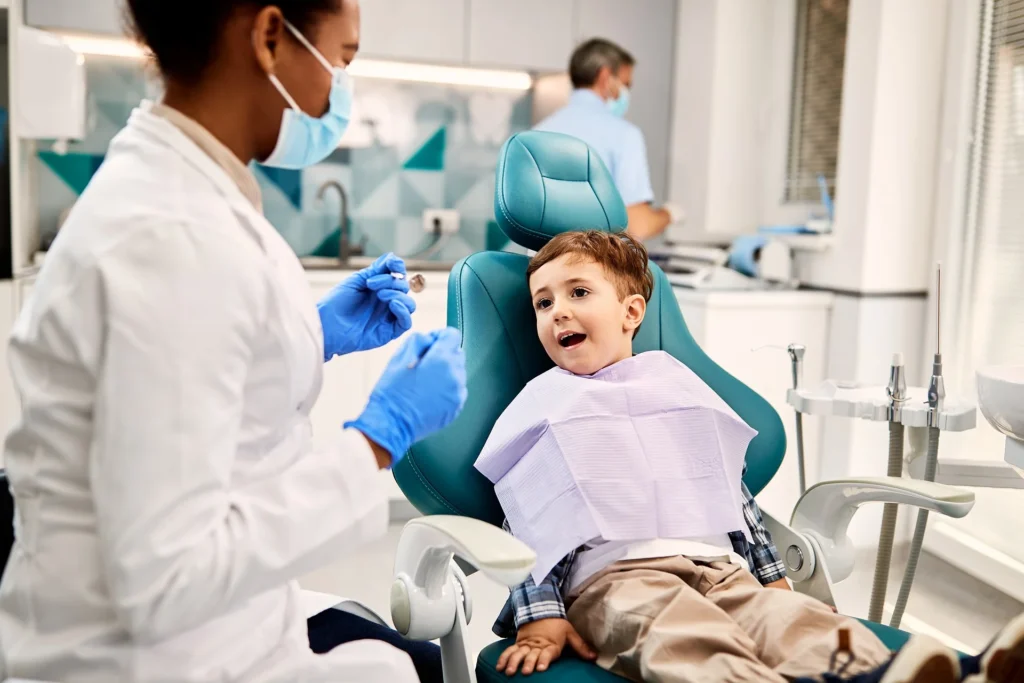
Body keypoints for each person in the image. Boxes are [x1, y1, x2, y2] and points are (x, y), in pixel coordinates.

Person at [0, 1, 465, 682]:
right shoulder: (172, 236)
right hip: (150, 657)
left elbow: (197, 365)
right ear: (271, 36)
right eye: (341, 59)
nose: (338, 89)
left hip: (215, 625)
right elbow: (164, 577)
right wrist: (377, 439)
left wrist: (310, 334)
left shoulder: (180, 188)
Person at [484, 231, 1024, 683]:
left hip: (719, 568)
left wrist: (774, 582)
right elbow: (530, 517)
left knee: (797, 625)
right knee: (686, 638)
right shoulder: (547, 404)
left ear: (631, 312)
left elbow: (727, 492)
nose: (558, 312)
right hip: (617, 579)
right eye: (543, 303)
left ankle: (912, 675)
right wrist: (541, 615)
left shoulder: (675, 388)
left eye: (578, 292)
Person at [533, 40, 683, 242]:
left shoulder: (537, 132)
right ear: (605, 77)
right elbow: (639, 225)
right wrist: (669, 214)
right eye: (625, 85)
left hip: (541, 259)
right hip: (591, 259)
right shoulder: (624, 135)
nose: (626, 94)